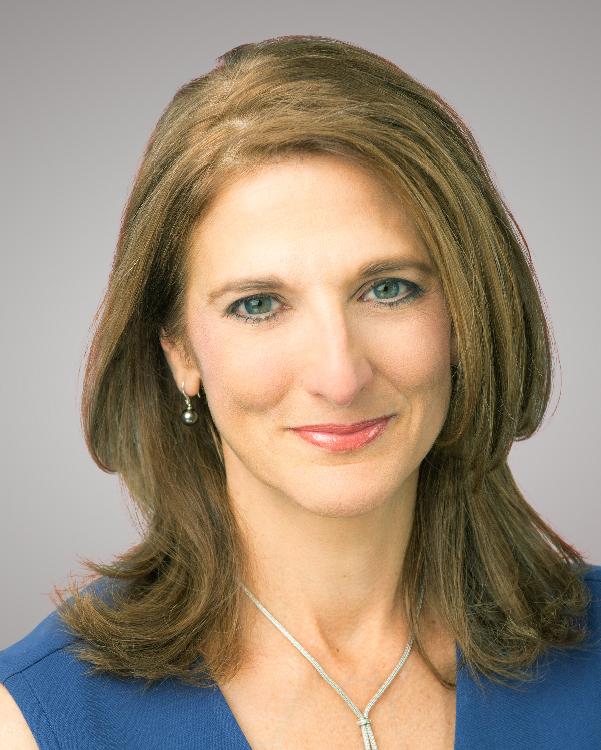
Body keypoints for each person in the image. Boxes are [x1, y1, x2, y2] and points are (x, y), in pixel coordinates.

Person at [1, 34, 599, 750]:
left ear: (469, 314)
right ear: (179, 350)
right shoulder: (35, 724)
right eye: (257, 304)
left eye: (388, 289)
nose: (339, 377)